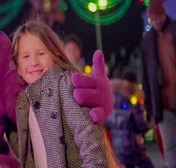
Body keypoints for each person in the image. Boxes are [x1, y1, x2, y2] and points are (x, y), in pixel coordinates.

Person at [9, 20, 117, 167]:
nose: (33, 61)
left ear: (55, 55)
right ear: (18, 67)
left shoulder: (64, 85)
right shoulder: (23, 102)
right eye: (25, 56)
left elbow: (87, 137)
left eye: (41, 53)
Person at [140, 0, 176, 168]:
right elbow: (146, 76)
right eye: (152, 18)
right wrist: (149, 107)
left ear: (163, 14)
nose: (154, 21)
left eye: (157, 17)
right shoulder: (147, 42)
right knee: (170, 150)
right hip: (163, 105)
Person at [105, 69, 155, 168]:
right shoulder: (133, 101)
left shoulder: (111, 101)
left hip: (118, 149)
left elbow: (107, 124)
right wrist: (151, 123)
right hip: (134, 147)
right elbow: (141, 126)